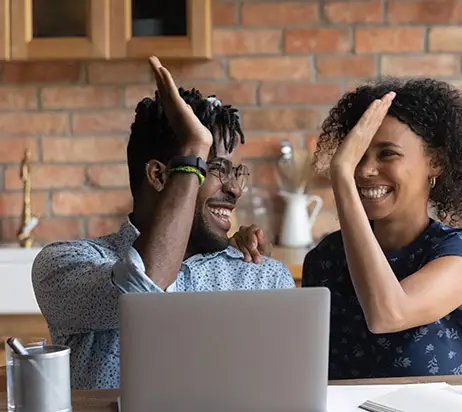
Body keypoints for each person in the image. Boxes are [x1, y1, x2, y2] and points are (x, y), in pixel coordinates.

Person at [31, 57, 295, 390]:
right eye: (214, 169)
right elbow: (144, 287)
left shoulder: (263, 276)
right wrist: (193, 150)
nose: (235, 189)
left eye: (234, 171)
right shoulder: (67, 265)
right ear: (160, 176)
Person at [238, 78, 462, 380]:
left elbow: (389, 314)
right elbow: (293, 361)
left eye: (387, 154)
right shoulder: (327, 257)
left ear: (436, 162)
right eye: (357, 156)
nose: (365, 170)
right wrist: (257, 265)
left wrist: (340, 174)